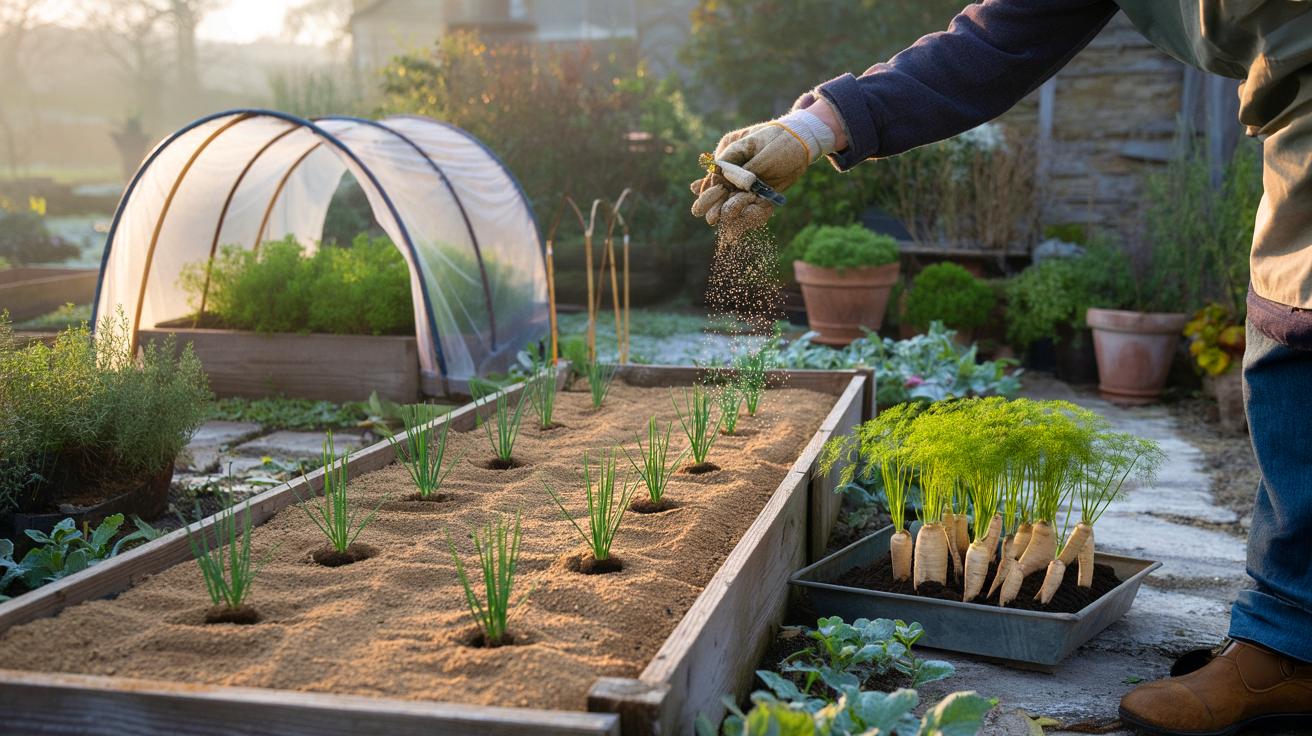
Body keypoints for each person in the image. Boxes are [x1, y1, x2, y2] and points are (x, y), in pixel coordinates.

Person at [690, 2, 1312, 734]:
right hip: (1292, 110)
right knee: (1287, 331)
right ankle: (1288, 646)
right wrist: (811, 126)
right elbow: (1004, 34)